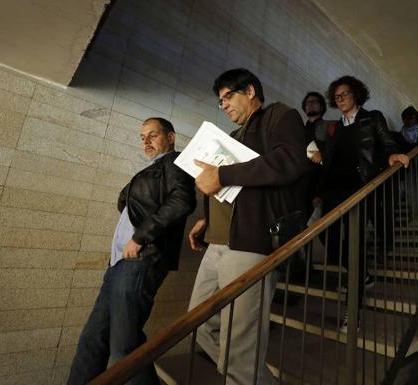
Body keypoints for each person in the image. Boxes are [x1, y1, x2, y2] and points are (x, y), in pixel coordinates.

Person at [187, 68, 308, 385]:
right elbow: (229, 192)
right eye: (220, 101)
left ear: (251, 91)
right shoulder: (232, 137)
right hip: (218, 242)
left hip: (250, 243)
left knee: (240, 347)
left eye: (228, 96)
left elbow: (290, 161)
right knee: (199, 325)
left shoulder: (280, 116)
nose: (223, 105)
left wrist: (223, 176)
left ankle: (244, 376)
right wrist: (208, 219)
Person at [67, 118, 197, 385]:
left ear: (171, 137)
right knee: (94, 338)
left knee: (124, 346)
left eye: (153, 135)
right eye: (142, 137)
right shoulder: (153, 168)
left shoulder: (175, 163)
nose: (146, 141)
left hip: (141, 259)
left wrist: (140, 237)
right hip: (119, 263)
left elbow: (183, 201)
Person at [318, 76, 409, 332]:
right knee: (329, 239)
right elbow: (332, 160)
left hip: (360, 189)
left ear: (356, 94)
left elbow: (386, 141)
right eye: (336, 96)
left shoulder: (372, 117)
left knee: (355, 249)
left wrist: (392, 153)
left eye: (345, 94)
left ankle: (352, 314)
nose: (340, 99)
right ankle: (364, 275)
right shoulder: (335, 127)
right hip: (334, 192)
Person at [301, 91, 332, 224]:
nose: (310, 105)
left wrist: (320, 193)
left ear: (321, 107)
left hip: (322, 183)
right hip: (303, 184)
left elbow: (334, 154)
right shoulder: (300, 130)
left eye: (314, 102)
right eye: (308, 103)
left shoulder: (330, 126)